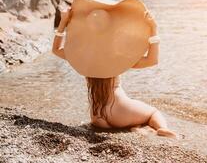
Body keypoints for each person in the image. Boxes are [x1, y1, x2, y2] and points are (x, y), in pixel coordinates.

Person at [52, 7, 177, 138]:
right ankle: (162, 128)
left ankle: (136, 128)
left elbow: (56, 49)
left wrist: (63, 22)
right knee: (153, 113)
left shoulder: (82, 55)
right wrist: (153, 27)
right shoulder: (117, 54)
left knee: (131, 121)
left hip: (97, 117)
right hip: (119, 110)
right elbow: (152, 60)